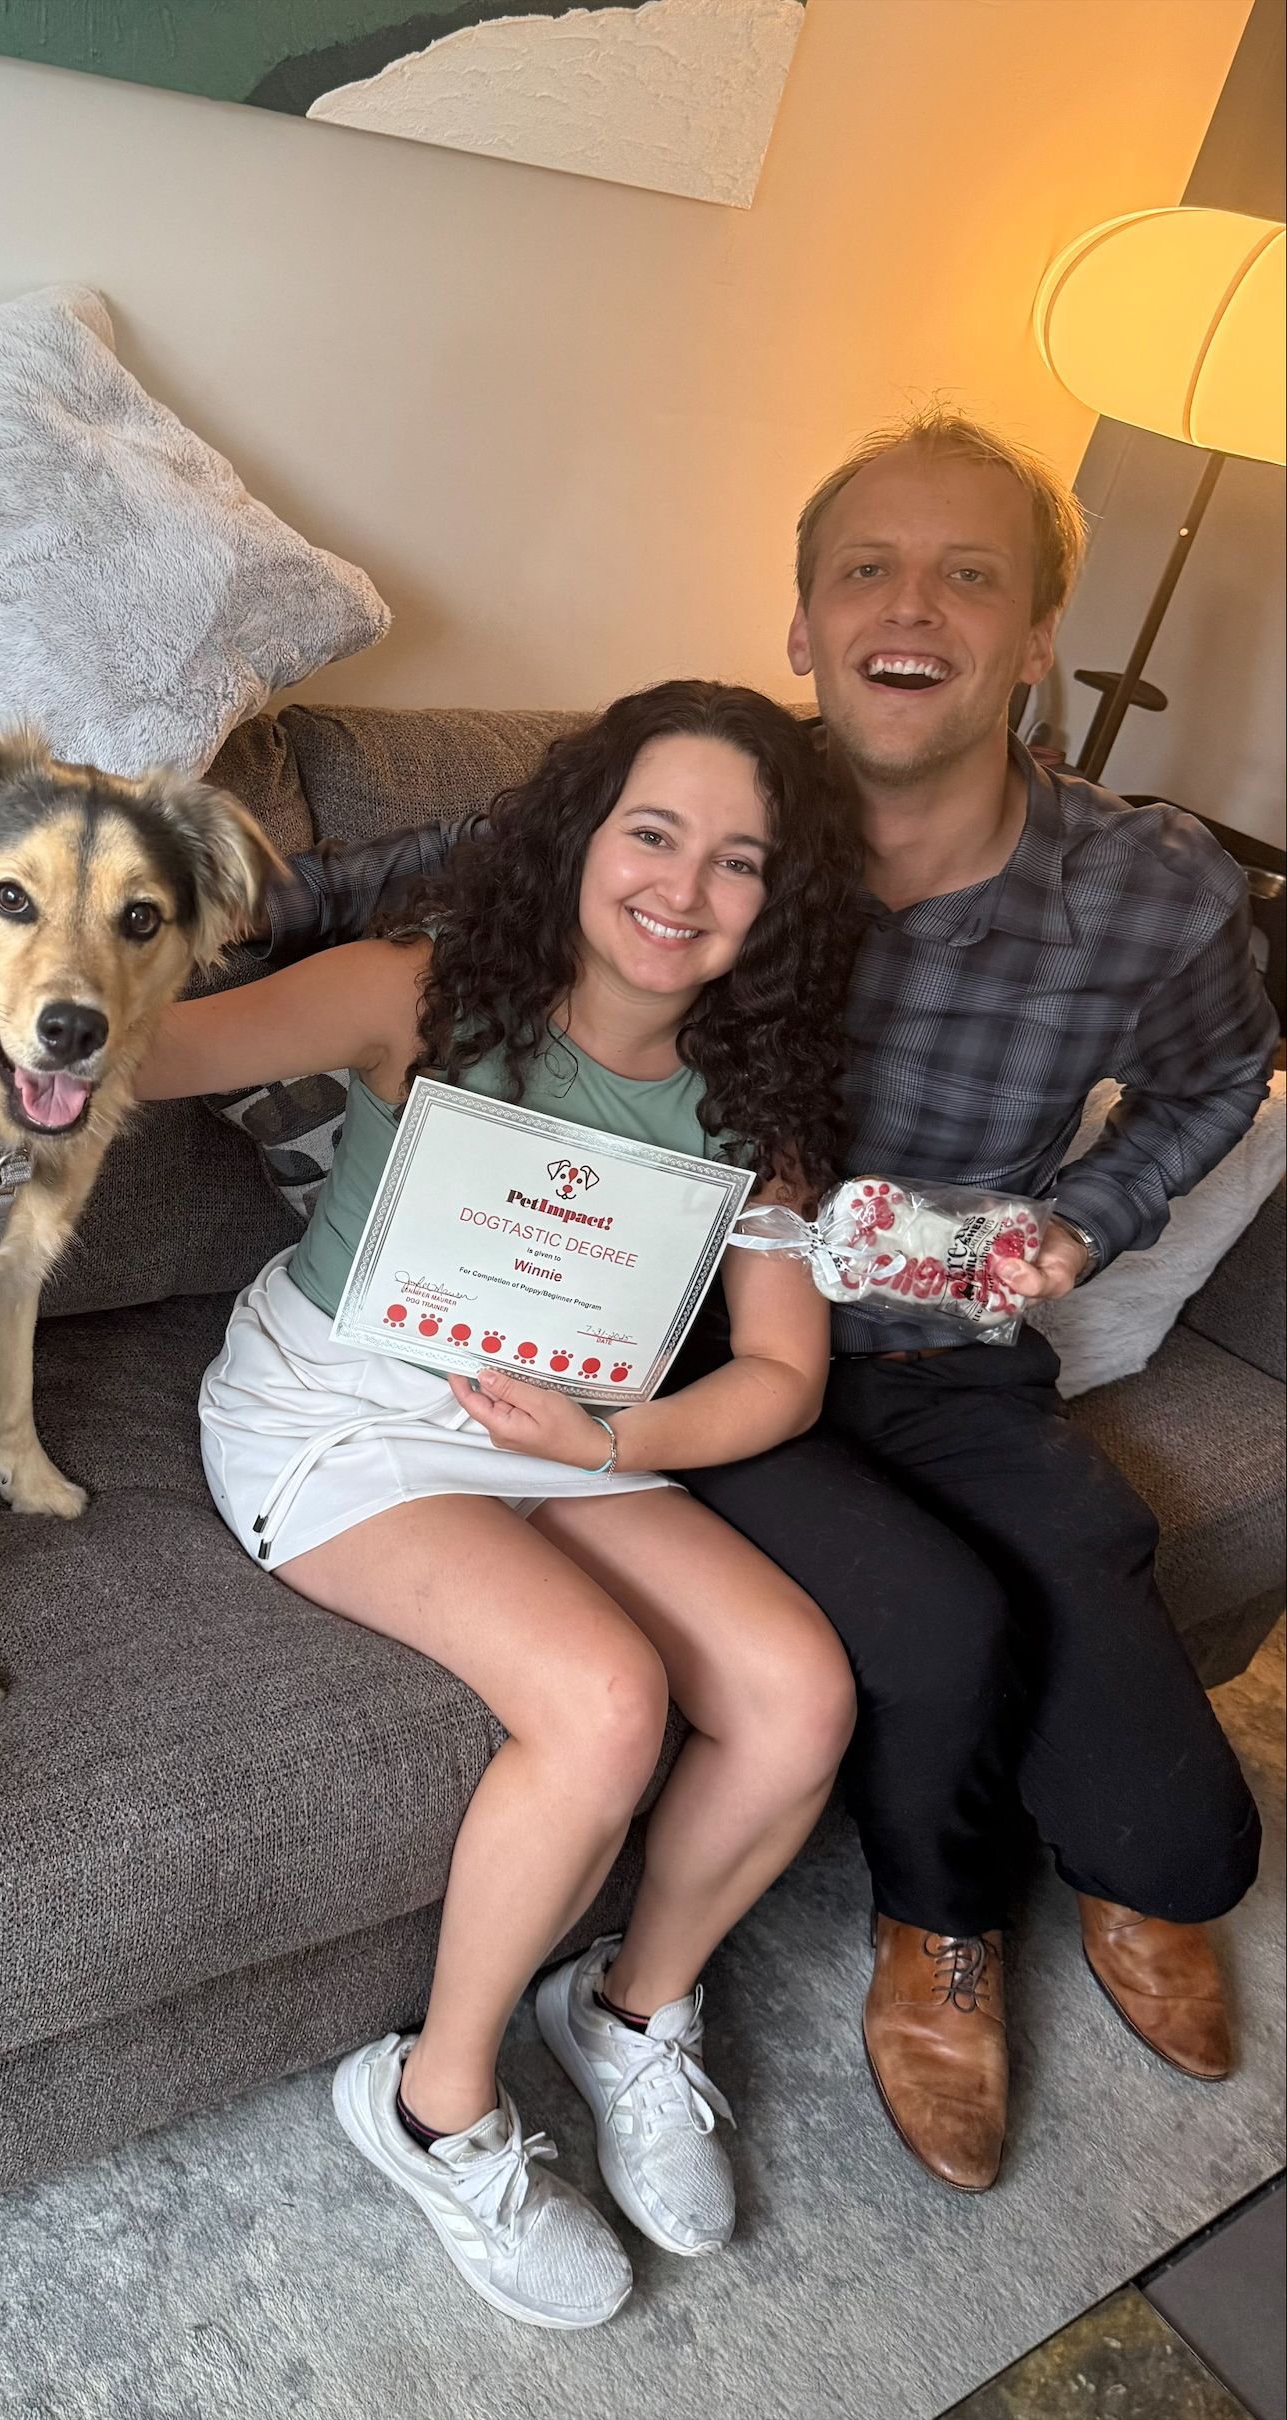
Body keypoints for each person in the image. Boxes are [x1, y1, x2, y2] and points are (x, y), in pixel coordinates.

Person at [247, 406, 1278, 2195]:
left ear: (1039, 639)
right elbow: (371, 914)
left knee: (1182, 1831)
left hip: (946, 1349)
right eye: (865, 567)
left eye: (973, 577)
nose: (914, 607)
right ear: (802, 622)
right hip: (691, 1350)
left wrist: (1083, 1228)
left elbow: (1215, 1086)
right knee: (928, 1629)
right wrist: (103, 912)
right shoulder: (709, 813)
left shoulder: (1151, 892)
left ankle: (1120, 1869)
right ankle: (936, 1933)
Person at [136, 680, 860, 2327]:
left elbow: (784, 1378)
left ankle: (628, 2011)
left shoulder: (759, 1114)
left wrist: (610, 1445)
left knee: (800, 1693)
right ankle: (431, 2104)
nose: (684, 887)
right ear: (582, 838)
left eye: (739, 861)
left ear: (781, 901)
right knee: (608, 1701)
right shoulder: (423, 991)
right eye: (653, 832)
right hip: (347, 1413)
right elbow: (146, 1045)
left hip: (572, 1429)